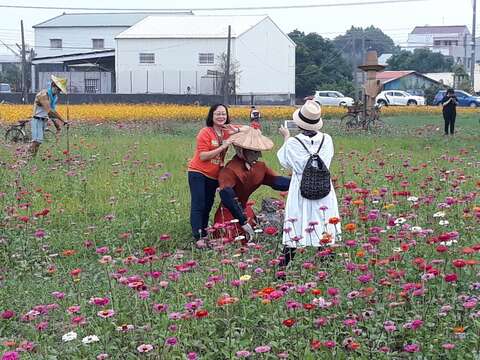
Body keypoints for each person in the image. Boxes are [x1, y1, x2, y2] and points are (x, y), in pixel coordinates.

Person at [277, 100, 341, 267]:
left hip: (301, 187)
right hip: (323, 187)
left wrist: (286, 137)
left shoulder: (292, 143)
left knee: (296, 223)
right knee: (324, 222)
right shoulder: (327, 139)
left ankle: (283, 269)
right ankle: (326, 266)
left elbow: (284, 161)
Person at [213, 124, 290, 242]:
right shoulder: (230, 170)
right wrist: (242, 221)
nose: (259, 155)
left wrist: (299, 181)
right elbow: (227, 196)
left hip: (245, 210)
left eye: (258, 151)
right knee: (230, 240)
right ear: (241, 151)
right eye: (254, 152)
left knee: (251, 238)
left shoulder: (260, 167)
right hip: (228, 214)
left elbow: (277, 182)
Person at [187, 104, 241, 241]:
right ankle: (198, 237)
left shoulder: (226, 132)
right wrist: (224, 145)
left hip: (214, 175)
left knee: (208, 204)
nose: (221, 117)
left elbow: (248, 130)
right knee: (198, 204)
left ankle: (204, 233)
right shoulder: (205, 132)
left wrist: (237, 129)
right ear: (212, 116)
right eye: (218, 114)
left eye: (224, 114)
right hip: (198, 172)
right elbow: (203, 156)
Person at [29, 75, 69, 156]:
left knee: (39, 142)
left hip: (44, 120)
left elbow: (51, 113)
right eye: (58, 89)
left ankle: (32, 158)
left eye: (60, 90)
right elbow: (50, 111)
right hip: (37, 119)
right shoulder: (43, 95)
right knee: (36, 141)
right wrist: (63, 120)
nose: (58, 91)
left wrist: (57, 125)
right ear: (53, 85)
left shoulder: (54, 97)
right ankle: (28, 157)